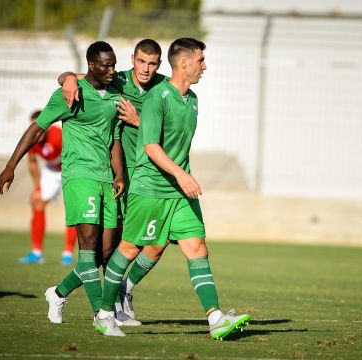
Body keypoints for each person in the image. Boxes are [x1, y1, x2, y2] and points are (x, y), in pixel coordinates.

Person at [93, 38, 251, 339]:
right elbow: (150, 146)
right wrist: (182, 175)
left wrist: (182, 177)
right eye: (201, 60)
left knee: (197, 247)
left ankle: (215, 318)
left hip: (179, 193)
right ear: (184, 63)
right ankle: (104, 314)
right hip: (150, 187)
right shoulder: (157, 98)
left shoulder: (192, 100)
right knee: (129, 249)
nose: (205, 66)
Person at [0, 40, 124, 324]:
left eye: (114, 64)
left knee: (105, 251)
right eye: (107, 65)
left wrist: (119, 174)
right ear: (91, 65)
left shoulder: (115, 92)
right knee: (89, 246)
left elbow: (114, 138)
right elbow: (37, 128)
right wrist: (10, 166)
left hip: (106, 177)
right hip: (79, 175)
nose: (112, 70)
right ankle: (102, 315)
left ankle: (58, 292)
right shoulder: (69, 94)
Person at [59, 39, 169, 326]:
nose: (146, 69)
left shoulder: (166, 88)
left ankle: (119, 288)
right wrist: (67, 77)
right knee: (109, 249)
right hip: (122, 175)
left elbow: (170, 128)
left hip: (152, 176)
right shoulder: (117, 79)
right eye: (141, 61)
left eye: (153, 63)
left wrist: (138, 119)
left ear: (160, 64)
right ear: (132, 59)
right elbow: (81, 77)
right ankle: (112, 306)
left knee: (158, 241)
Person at [17, 110, 77, 265]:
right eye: (34, 126)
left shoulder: (59, 135)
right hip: (51, 169)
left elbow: (74, 155)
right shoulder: (30, 137)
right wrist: (37, 187)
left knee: (74, 208)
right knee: (37, 201)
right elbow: (32, 162)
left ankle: (68, 253)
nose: (37, 130)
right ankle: (36, 253)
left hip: (69, 168)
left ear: (48, 125)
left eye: (40, 126)